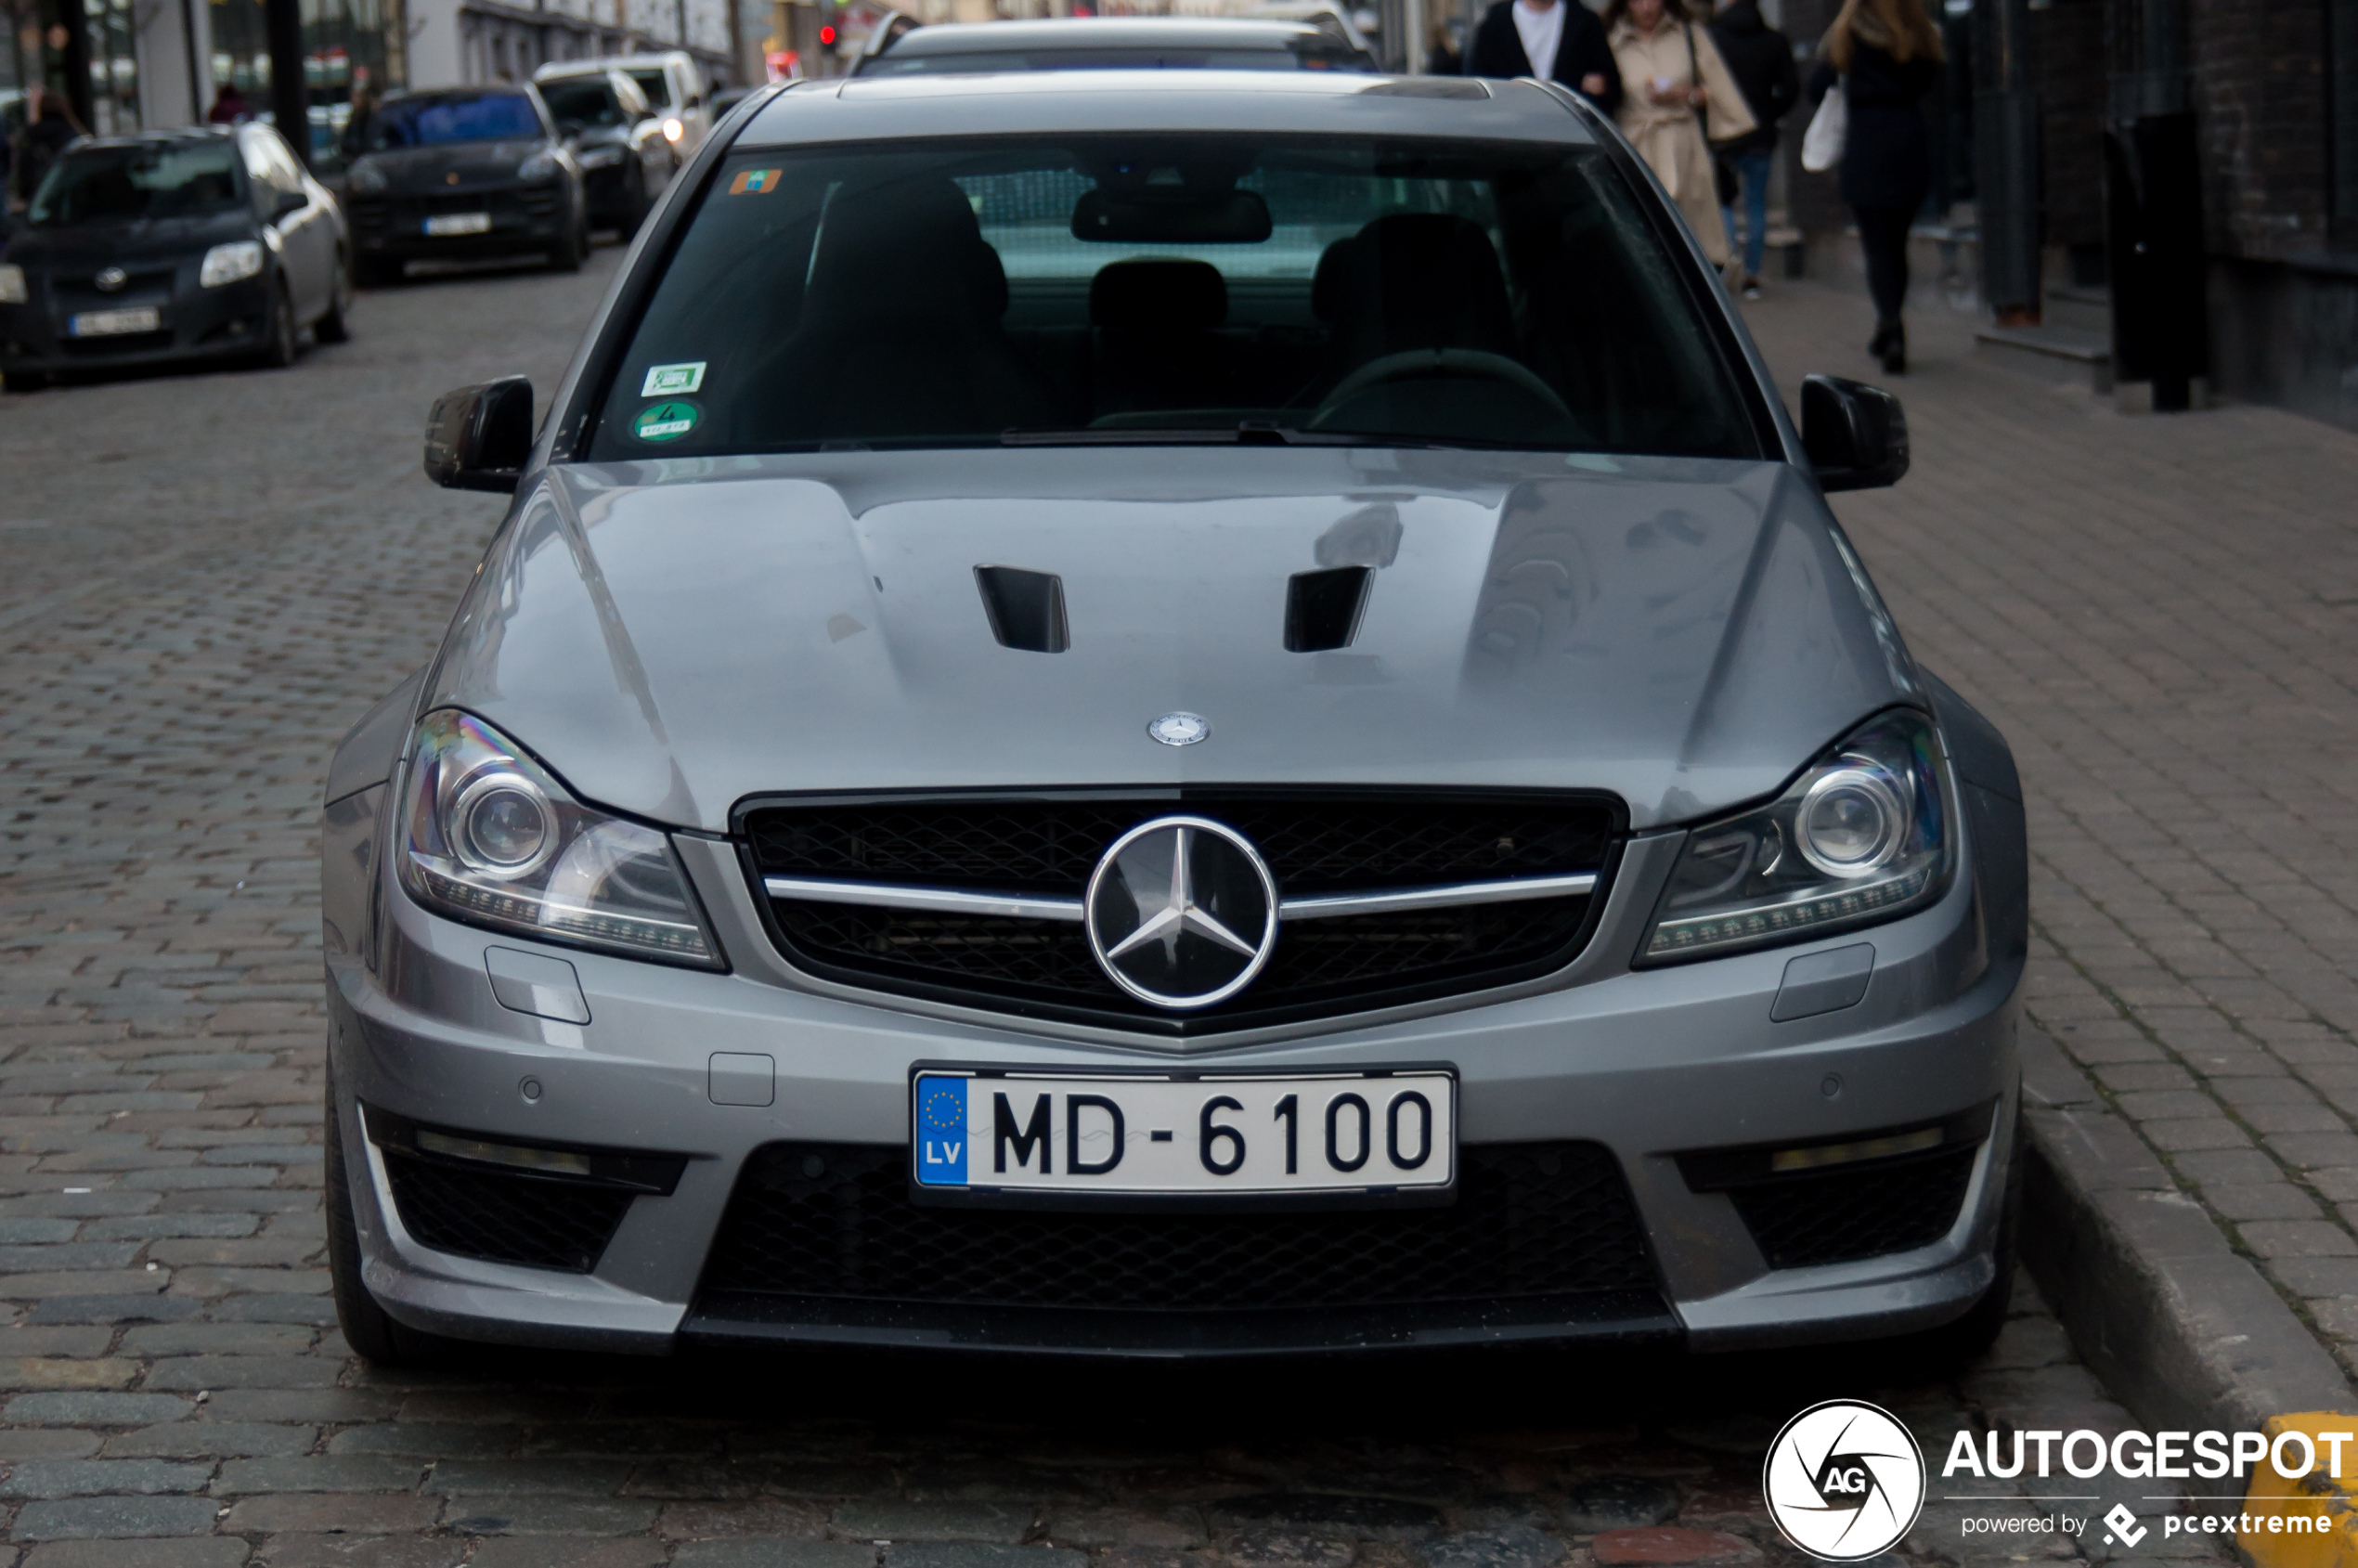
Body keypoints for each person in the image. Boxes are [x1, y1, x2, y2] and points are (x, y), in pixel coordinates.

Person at [1806, 0, 1942, 373]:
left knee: (1878, 245)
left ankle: (1891, 325)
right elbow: (1932, 79)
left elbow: (1817, 87)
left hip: (1867, 146)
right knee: (1896, 244)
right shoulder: (1918, 32)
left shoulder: (1848, 34)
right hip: (1908, 142)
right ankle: (1888, 325)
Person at [1601, 0, 1753, 269]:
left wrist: (1687, 95)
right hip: (1635, 143)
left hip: (1685, 143)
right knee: (1644, 226)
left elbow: (1721, 92)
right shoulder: (1610, 38)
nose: (1647, 7)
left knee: (1695, 231)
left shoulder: (1689, 34)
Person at [1709, 0, 1797, 298]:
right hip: (1762, 133)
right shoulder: (1775, 40)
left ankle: (1729, 263)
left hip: (1725, 133)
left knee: (1723, 202)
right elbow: (1791, 87)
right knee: (1756, 204)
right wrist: (1772, 112)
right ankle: (1752, 275)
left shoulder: (1713, 37)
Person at [1468, 0, 1623, 113]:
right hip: (1511, 134)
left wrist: (1599, 88)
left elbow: (1609, 87)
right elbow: (1477, 85)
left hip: (1570, 136)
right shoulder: (1495, 24)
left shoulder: (1584, 22)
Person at [14, 91, 82, 206]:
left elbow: (23, 165)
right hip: (65, 193)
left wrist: (24, 193)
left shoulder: (30, 135)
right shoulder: (70, 134)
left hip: (37, 194)